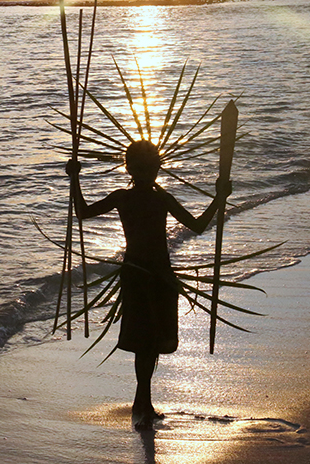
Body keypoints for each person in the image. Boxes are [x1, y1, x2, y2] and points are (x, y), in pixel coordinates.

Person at [65, 140, 231, 430]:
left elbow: (199, 226)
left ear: (156, 168)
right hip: (144, 275)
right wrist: (74, 178)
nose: (146, 172)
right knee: (146, 343)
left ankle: (143, 401)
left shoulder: (141, 198)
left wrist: (219, 198)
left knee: (150, 343)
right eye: (142, 168)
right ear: (130, 168)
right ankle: (141, 403)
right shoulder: (143, 198)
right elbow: (82, 212)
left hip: (154, 276)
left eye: (150, 167)